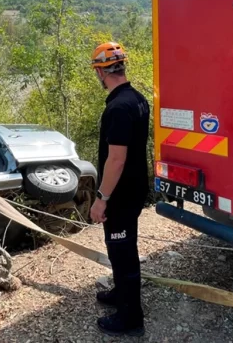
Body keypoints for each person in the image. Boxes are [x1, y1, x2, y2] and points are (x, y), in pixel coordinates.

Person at [89, 42, 150, 337]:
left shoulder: (118, 107)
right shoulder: (137, 99)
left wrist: (101, 199)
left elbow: (116, 159)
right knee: (120, 248)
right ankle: (120, 293)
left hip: (121, 195)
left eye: (97, 72)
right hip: (134, 189)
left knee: (123, 251)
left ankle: (130, 317)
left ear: (102, 71)